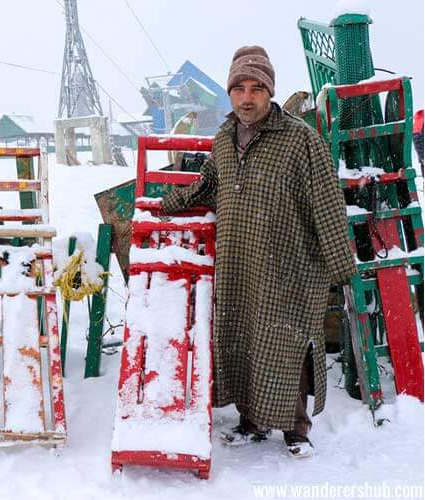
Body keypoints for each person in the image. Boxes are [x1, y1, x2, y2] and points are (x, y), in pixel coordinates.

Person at [162, 46, 357, 458]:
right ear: (230, 93)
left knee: (288, 344)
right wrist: (170, 202)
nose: (247, 98)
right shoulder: (223, 139)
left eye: (256, 89)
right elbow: (210, 182)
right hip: (241, 261)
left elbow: (326, 201)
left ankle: (296, 430)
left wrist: (341, 264)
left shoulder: (300, 139)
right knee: (247, 339)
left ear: (270, 92)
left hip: (290, 264)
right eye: (239, 89)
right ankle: (251, 421)